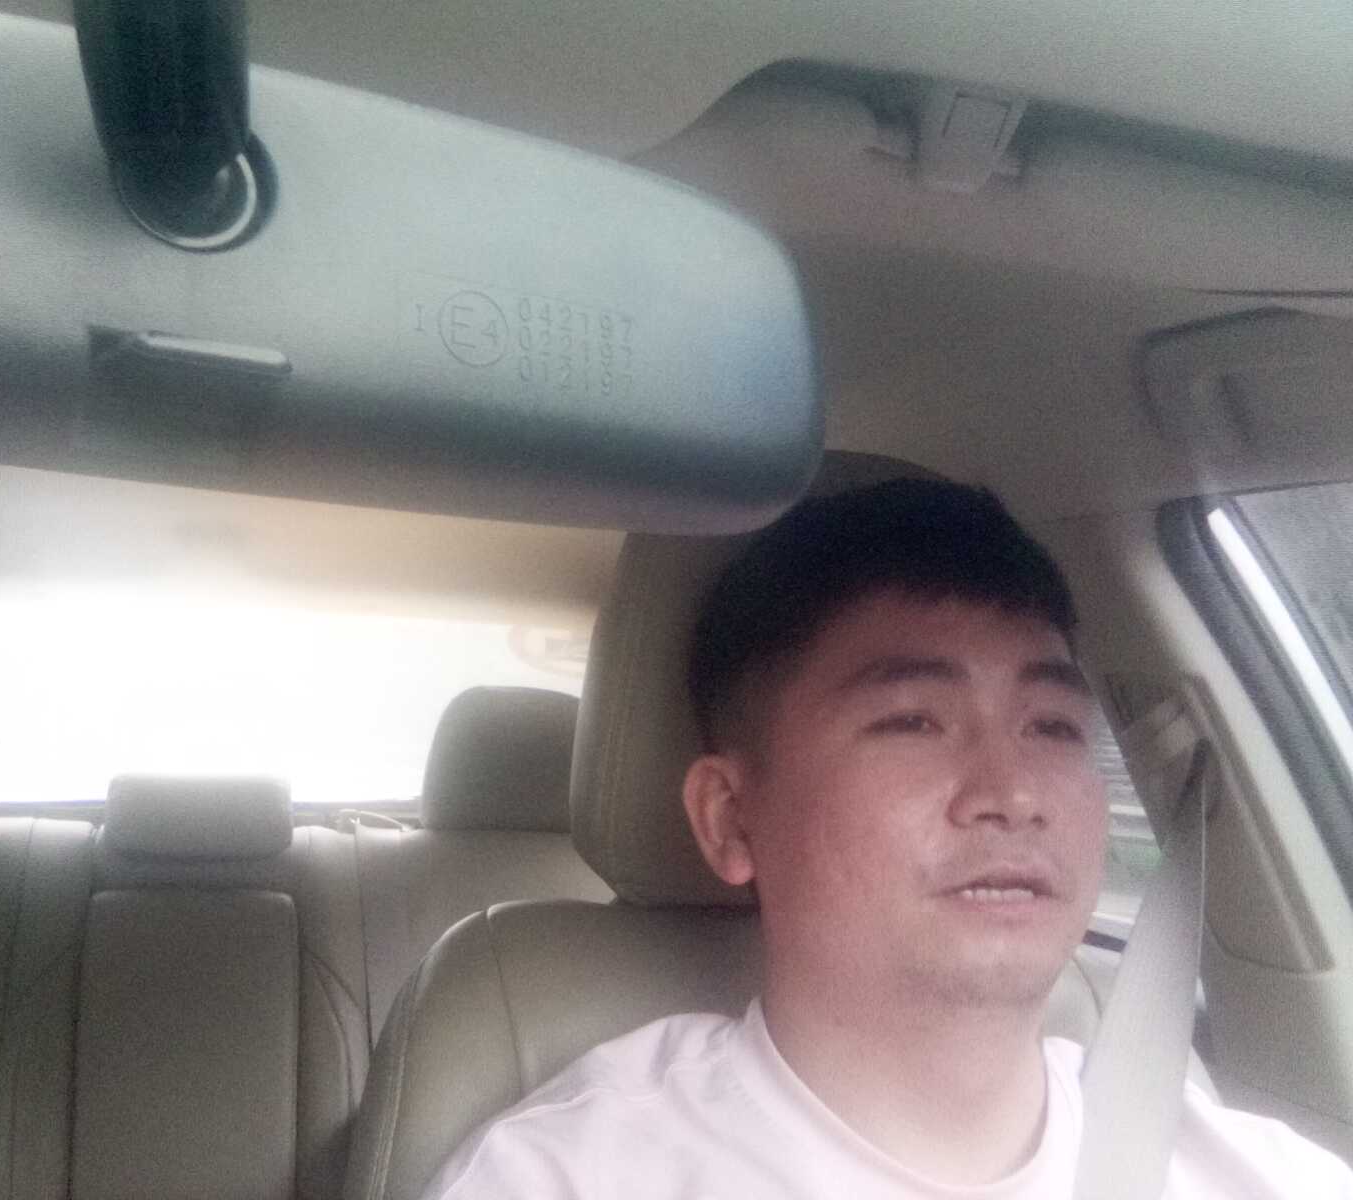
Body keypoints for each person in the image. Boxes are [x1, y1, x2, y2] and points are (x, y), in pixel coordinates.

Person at [420, 478, 1353, 1198]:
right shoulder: (567, 1178)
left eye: (1054, 726)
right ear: (730, 818)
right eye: (912, 722)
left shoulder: (1262, 1175)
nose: (1012, 794)